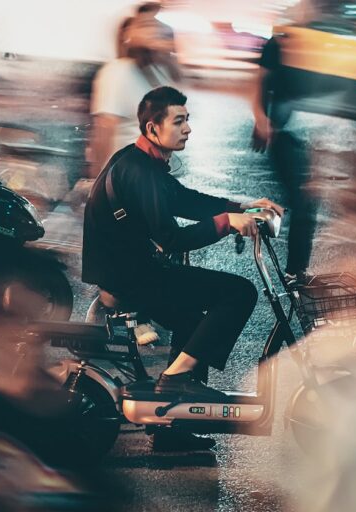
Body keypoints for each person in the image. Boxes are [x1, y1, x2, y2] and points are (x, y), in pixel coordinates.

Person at [82, 86, 282, 451]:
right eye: (179, 121)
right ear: (151, 128)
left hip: (130, 270)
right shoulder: (140, 172)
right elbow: (171, 240)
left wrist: (243, 206)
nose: (187, 128)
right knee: (239, 292)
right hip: (131, 277)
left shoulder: (143, 162)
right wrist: (226, 222)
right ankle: (175, 380)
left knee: (193, 317)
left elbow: (183, 199)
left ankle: (171, 427)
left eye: (187, 119)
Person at [251, 34, 318, 283]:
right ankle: (295, 271)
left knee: (309, 202)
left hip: (314, 134)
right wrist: (260, 118)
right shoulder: (280, 41)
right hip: (284, 134)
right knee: (303, 200)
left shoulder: (328, 42)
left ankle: (298, 270)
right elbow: (260, 81)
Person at [86, 2, 180, 178]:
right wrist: (96, 182)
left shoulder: (162, 72)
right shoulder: (119, 73)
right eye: (146, 25)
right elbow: (105, 132)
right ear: (129, 34)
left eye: (157, 23)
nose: (155, 29)